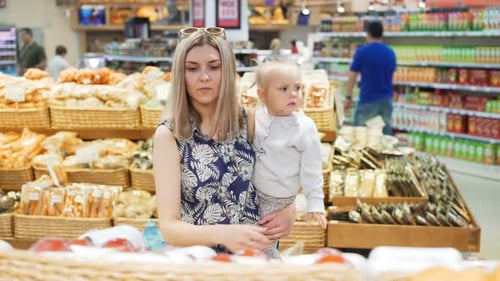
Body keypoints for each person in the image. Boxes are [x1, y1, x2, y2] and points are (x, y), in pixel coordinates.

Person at [153, 27, 295, 257]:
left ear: (227, 70)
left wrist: (289, 212)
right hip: (203, 266)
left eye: (214, 66)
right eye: (192, 68)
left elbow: (283, 187)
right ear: (181, 75)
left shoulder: (251, 123)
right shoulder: (170, 135)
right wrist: (223, 233)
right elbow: (169, 227)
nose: (204, 76)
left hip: (256, 264)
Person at [253, 59, 327, 258]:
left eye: (297, 88)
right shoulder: (255, 119)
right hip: (250, 196)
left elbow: (312, 169)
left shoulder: (304, 127)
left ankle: (273, 270)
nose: (293, 94)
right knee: (253, 243)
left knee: (264, 244)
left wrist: (315, 203)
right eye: (284, 89)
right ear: (262, 95)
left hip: (278, 200)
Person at [344, 20, 397, 135]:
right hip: (386, 100)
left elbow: (352, 76)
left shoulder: (362, 52)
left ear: (368, 34)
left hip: (368, 99)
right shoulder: (390, 52)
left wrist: (348, 97)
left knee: (361, 136)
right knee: (384, 137)